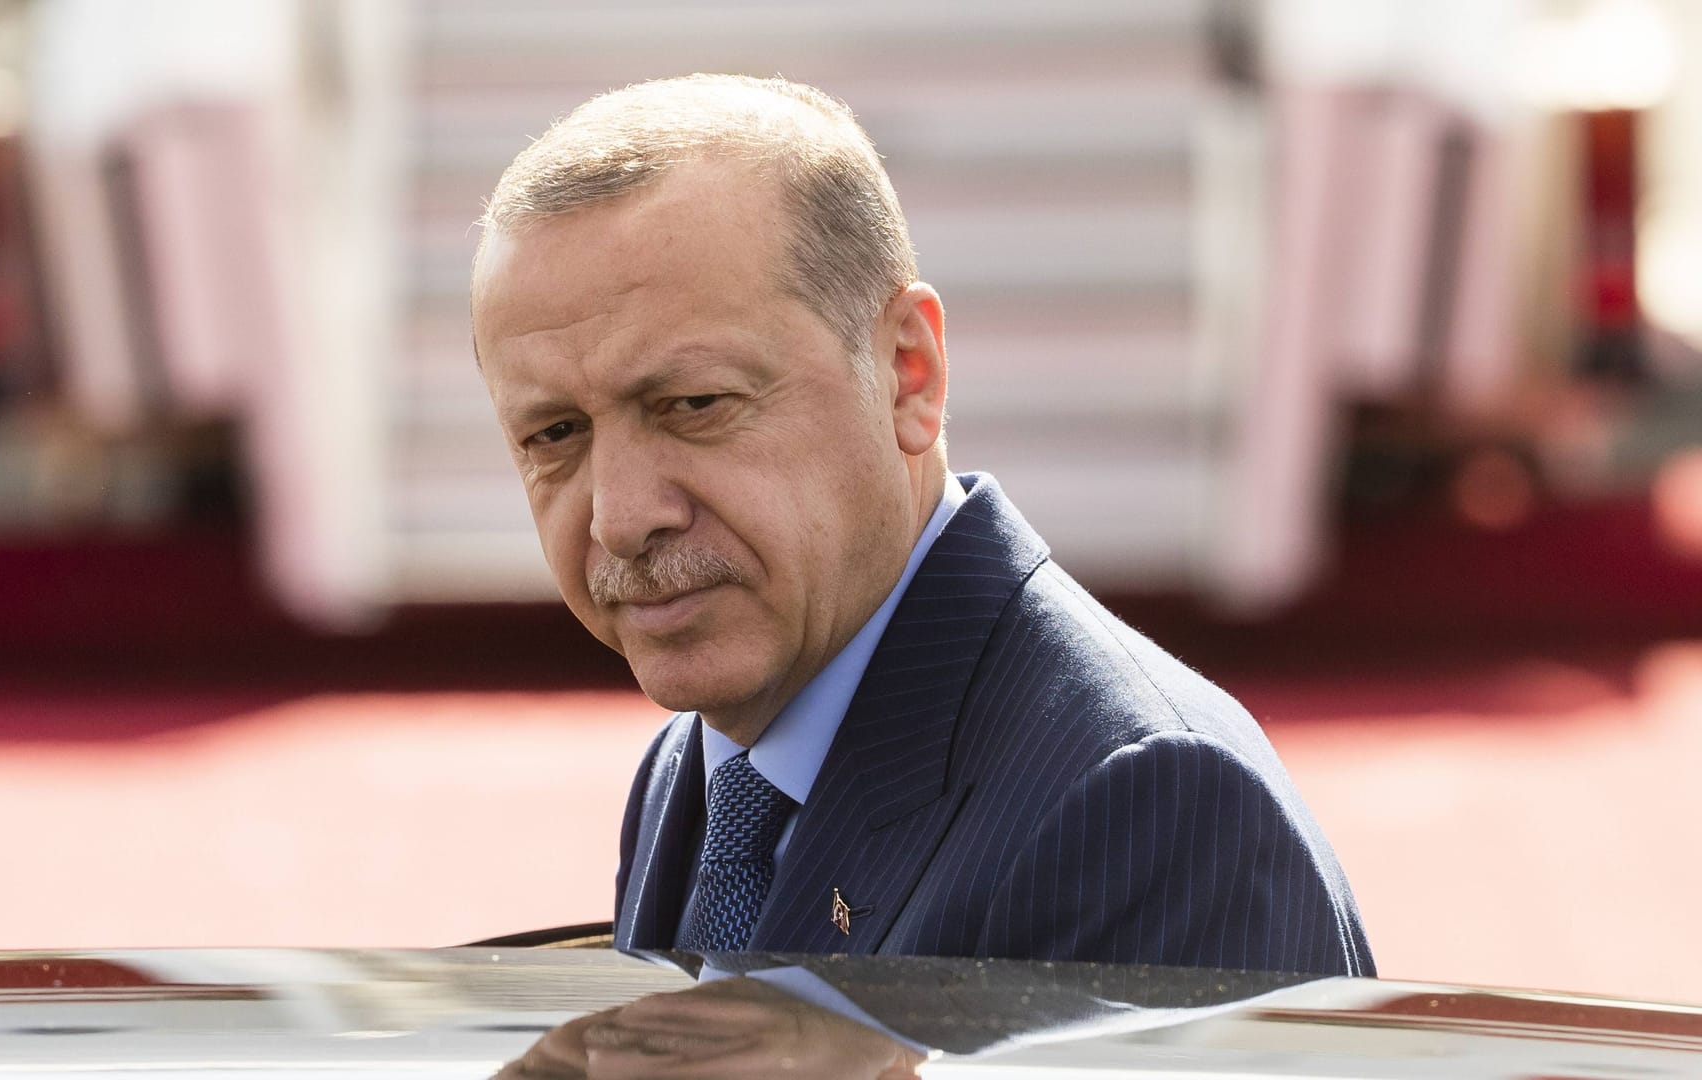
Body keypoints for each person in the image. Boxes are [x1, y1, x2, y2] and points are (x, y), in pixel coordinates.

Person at [471, 73, 1374, 976]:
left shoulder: (1150, 807)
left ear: (910, 373)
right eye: (555, 434)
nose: (623, 519)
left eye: (694, 403)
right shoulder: (707, 764)